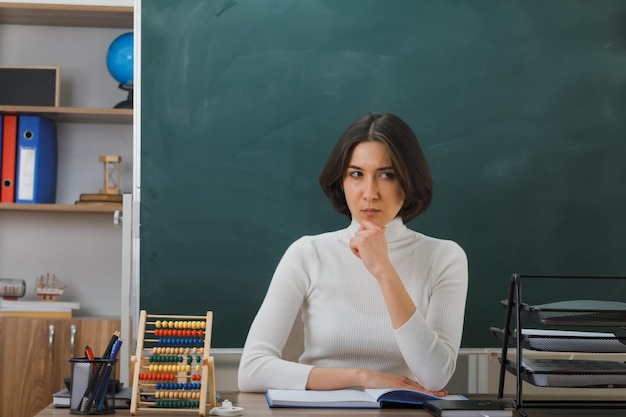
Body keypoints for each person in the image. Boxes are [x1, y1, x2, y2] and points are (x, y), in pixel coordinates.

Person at [238, 111, 468, 395]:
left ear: (408, 183)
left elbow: (435, 377)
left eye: (387, 175)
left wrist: (383, 269)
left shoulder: (445, 258)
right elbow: (251, 370)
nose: (370, 193)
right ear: (342, 182)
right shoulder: (307, 254)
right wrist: (362, 377)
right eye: (357, 174)